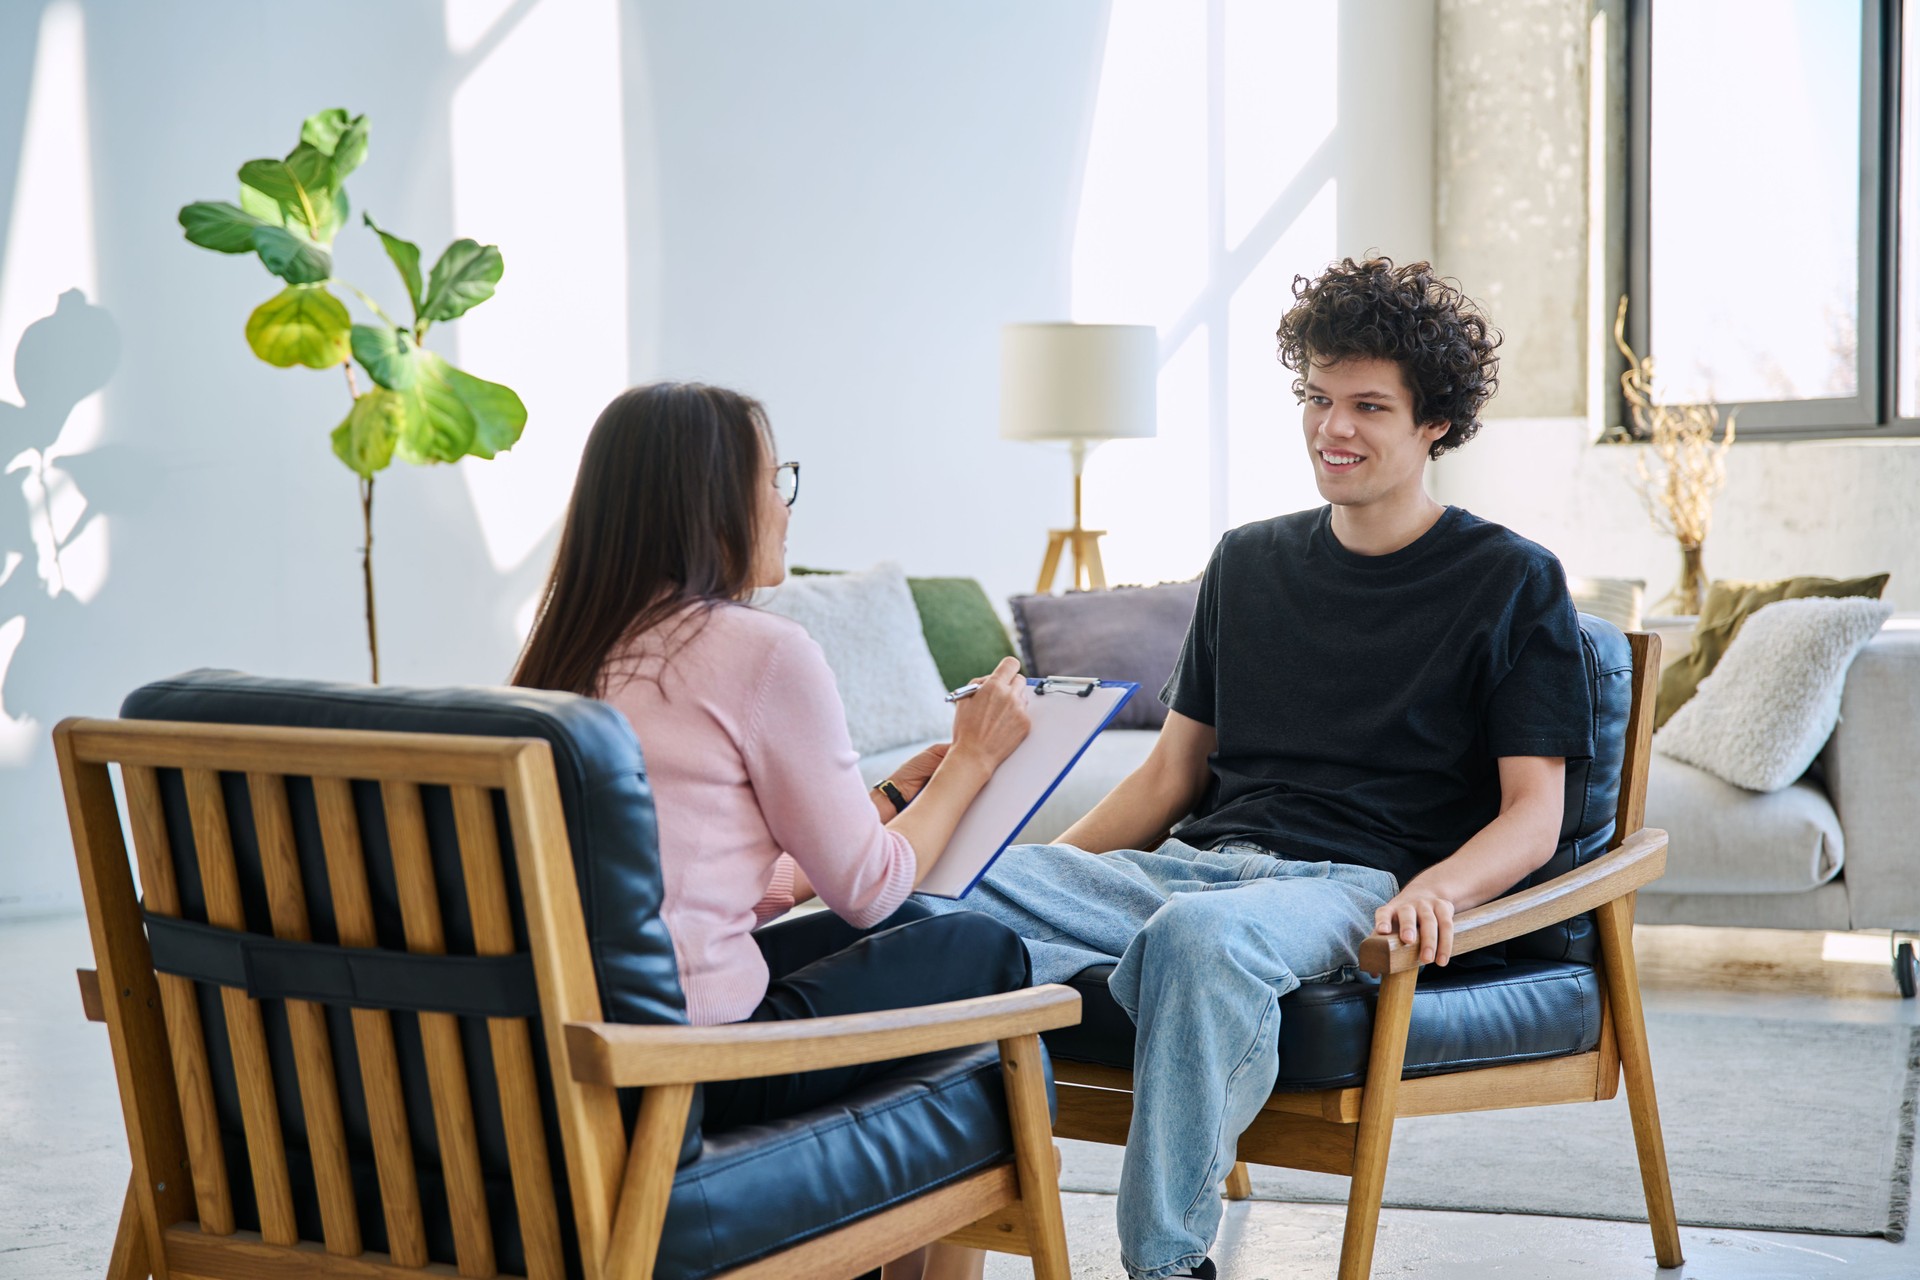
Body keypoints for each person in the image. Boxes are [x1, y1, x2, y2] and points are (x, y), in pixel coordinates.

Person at [921, 257, 1595, 1280]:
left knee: (1196, 941)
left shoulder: (1511, 579)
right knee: (940, 887)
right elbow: (1167, 780)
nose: (1334, 428)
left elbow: (1533, 813)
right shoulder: (1246, 562)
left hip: (1346, 889)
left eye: (1369, 406)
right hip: (1189, 869)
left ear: (1436, 424)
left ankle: (1165, 1262)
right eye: (1318, 399)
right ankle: (918, 1213)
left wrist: (1435, 893)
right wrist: (1042, 879)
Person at [511, 381, 1033, 1280]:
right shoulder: (761, 650)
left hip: (575, 1040)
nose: (784, 506)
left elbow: (681, 873)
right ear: (710, 503)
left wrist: (877, 803)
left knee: (928, 930)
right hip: (691, 1065)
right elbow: (870, 890)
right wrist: (972, 760)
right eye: (772, 479)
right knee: (978, 949)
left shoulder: (560, 652)